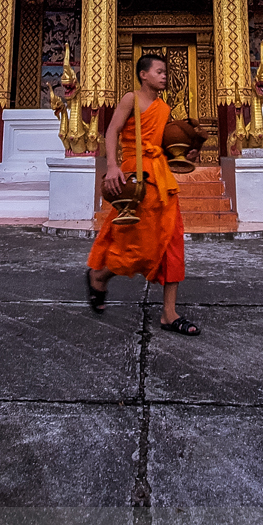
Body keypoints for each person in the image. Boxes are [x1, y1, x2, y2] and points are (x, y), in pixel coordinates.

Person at [84, 53, 199, 335]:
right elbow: (111, 131)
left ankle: (169, 314)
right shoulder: (131, 99)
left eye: (165, 72)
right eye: (159, 71)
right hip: (135, 176)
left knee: (173, 240)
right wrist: (112, 166)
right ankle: (99, 275)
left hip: (161, 177)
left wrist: (187, 153)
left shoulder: (163, 107)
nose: (164, 76)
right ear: (143, 74)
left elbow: (162, 144)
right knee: (138, 246)